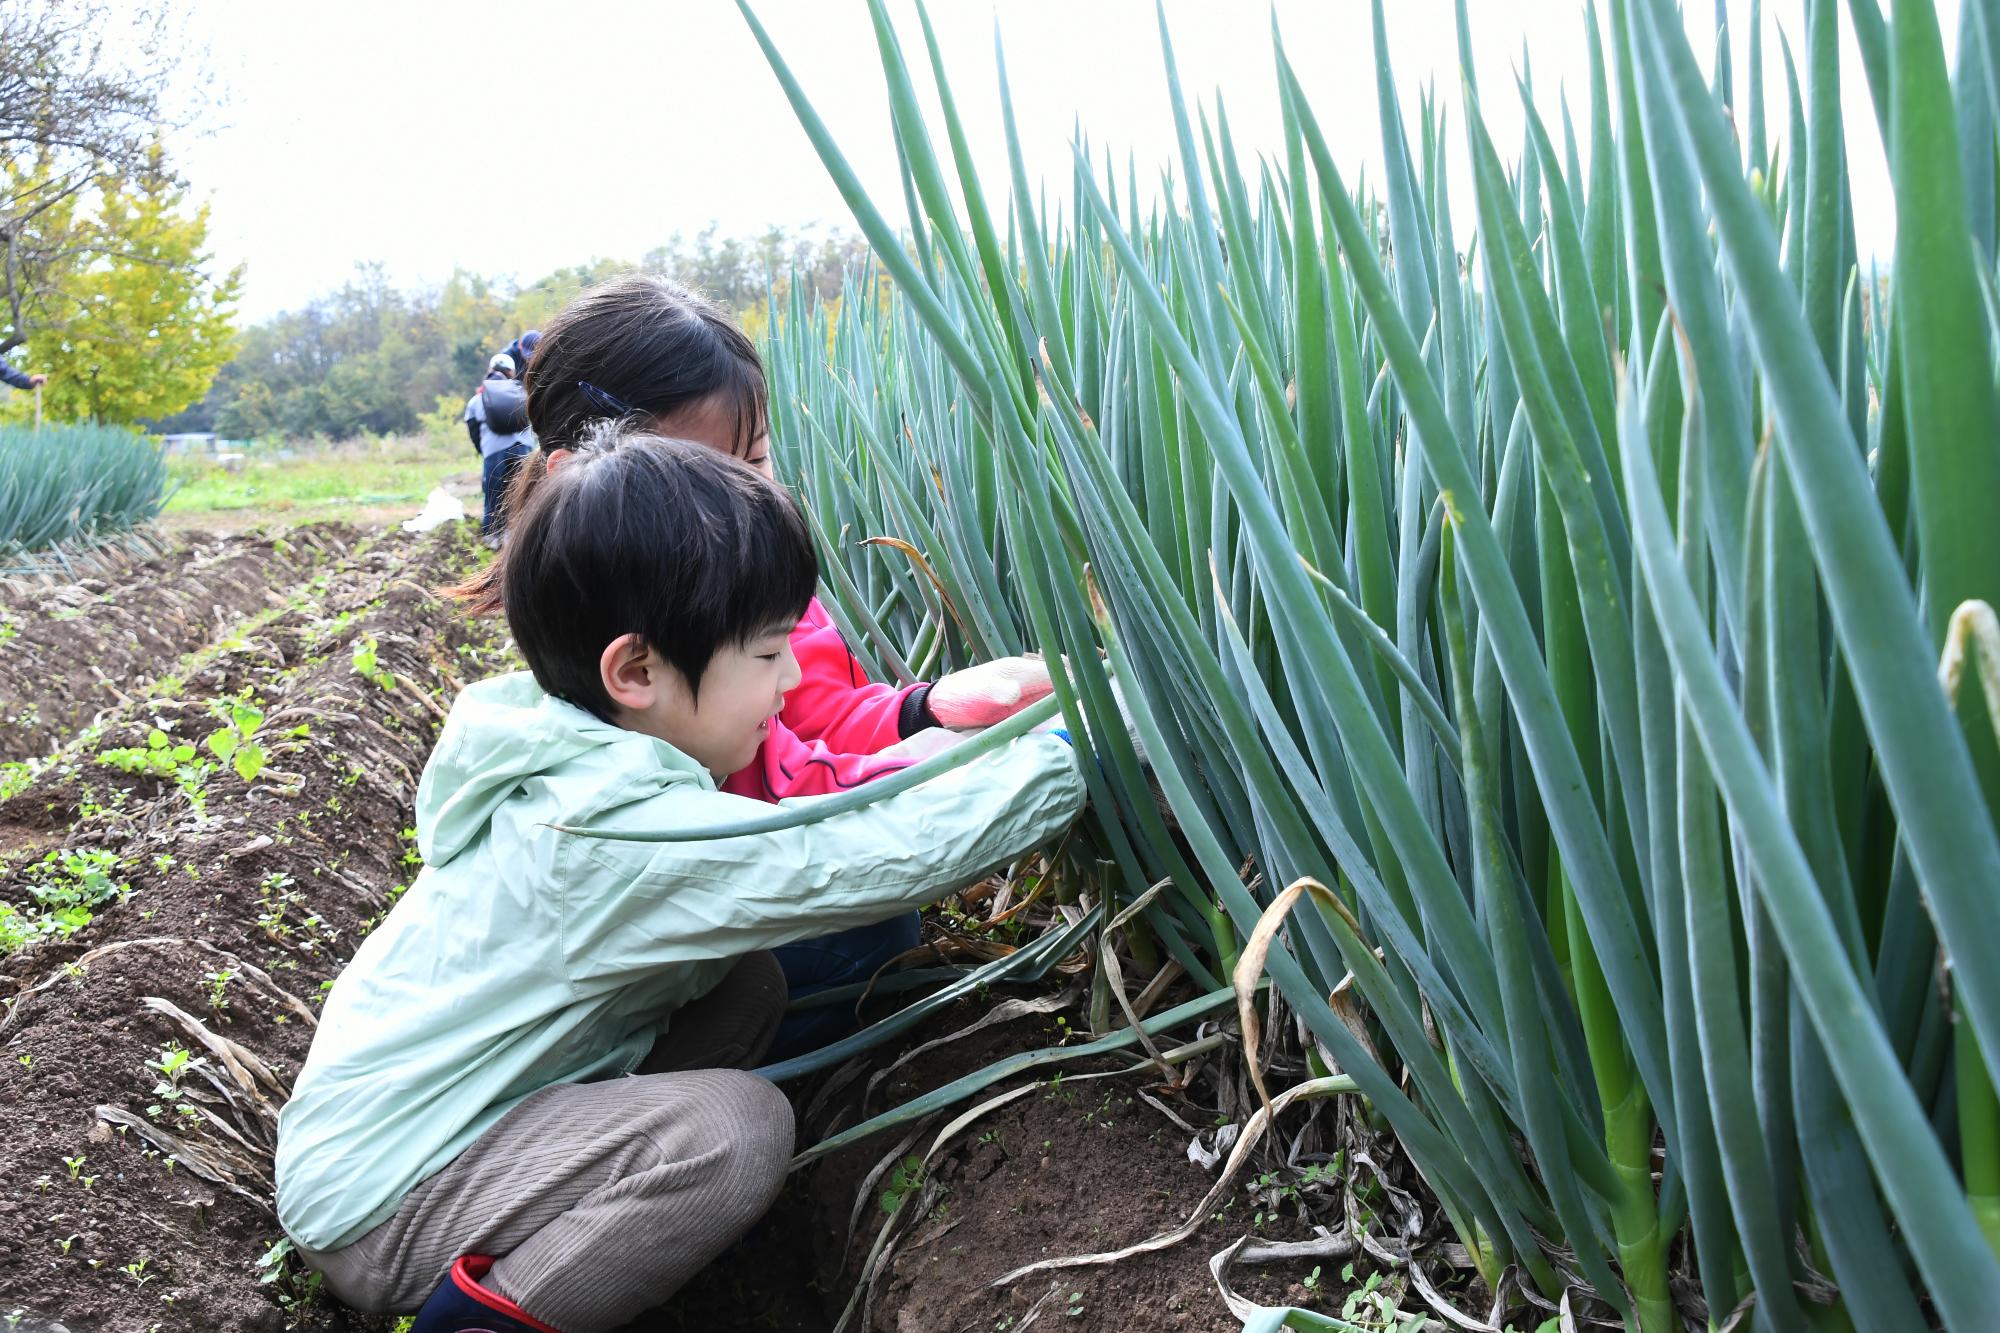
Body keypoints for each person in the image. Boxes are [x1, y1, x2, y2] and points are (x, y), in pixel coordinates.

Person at [274, 425, 1086, 1333]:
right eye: (770, 654)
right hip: (387, 1200)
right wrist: (1068, 749)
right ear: (638, 669)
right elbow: (847, 862)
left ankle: (628, 1226)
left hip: (420, 1130)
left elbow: (803, 829)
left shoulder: (578, 753)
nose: (786, 684)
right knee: (735, 1130)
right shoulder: (605, 834)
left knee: (748, 983)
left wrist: (942, 739)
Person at [461, 273, 1057, 1056]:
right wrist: (1044, 758)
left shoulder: (739, 579)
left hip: (729, 874)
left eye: (757, 461)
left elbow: (811, 725)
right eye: (704, 471)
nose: (744, 494)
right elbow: (795, 814)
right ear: (589, 473)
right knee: (870, 928)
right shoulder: (601, 659)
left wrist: (931, 707)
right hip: (702, 893)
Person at [463, 353, 534, 542]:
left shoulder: (478, 399)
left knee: (493, 494)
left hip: (494, 451)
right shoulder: (521, 393)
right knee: (520, 494)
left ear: (491, 369)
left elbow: (473, 427)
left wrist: (482, 449)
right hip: (523, 449)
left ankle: (492, 538)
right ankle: (520, 537)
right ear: (511, 371)